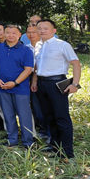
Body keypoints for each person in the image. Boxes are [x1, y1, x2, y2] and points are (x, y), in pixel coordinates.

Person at [32, 19, 81, 158]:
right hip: (41, 84)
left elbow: (76, 64)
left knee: (61, 117)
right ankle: (54, 146)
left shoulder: (62, 45)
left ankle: (67, 152)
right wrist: (35, 81)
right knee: (48, 116)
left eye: (45, 28)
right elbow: (37, 66)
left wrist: (75, 84)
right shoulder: (38, 45)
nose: (42, 31)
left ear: (54, 30)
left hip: (57, 83)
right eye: (39, 28)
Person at [0, 25, 34, 148]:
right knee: (7, 114)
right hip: (2, 86)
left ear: (19, 35)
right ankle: (12, 139)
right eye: (8, 32)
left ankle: (28, 142)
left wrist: (15, 82)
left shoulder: (26, 50)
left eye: (14, 33)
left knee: (24, 115)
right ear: (4, 34)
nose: (10, 35)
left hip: (20, 88)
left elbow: (28, 69)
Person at [24, 24, 49, 141]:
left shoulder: (44, 46)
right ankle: (38, 127)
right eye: (29, 32)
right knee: (33, 104)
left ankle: (46, 129)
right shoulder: (25, 47)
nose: (31, 34)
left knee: (42, 104)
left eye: (34, 32)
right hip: (27, 77)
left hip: (42, 77)